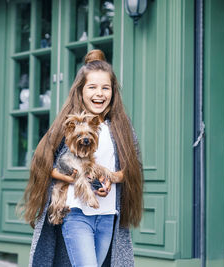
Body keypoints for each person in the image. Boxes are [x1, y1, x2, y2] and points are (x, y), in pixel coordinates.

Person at [21, 49, 143, 267]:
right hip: (76, 214)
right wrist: (76, 179)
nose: (100, 93)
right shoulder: (68, 124)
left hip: (108, 216)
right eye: (92, 87)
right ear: (81, 90)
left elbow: (133, 170)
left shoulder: (122, 129)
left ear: (113, 92)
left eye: (106, 87)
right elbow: (42, 164)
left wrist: (111, 178)